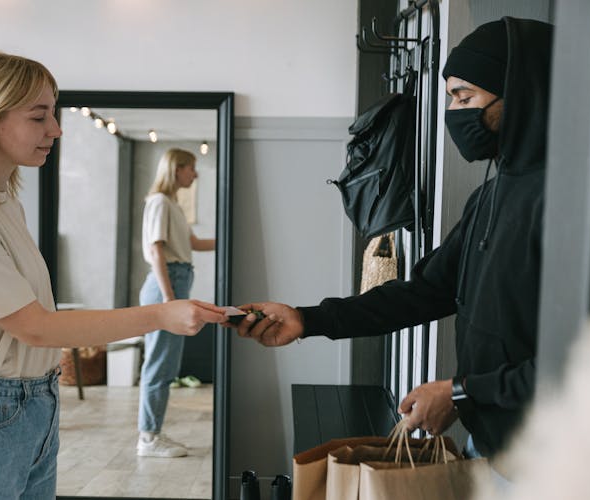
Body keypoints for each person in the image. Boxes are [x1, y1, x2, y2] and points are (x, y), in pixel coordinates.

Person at [0, 50, 227, 499]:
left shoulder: (1, 204)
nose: (55, 129)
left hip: (32, 409)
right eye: (39, 117)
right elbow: (36, 327)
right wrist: (160, 314)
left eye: (52, 114)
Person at [231, 17, 553, 463]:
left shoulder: (572, 206)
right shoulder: (490, 195)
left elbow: (585, 364)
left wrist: (461, 394)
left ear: (520, 94)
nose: (455, 113)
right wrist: (307, 320)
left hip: (553, 458)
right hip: (489, 447)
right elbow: (425, 292)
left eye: (466, 97)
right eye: (451, 99)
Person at [136, 148, 216, 458]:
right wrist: (169, 300)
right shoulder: (159, 202)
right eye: (191, 169)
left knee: (166, 365)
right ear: (176, 169)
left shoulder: (172, 204)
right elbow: (156, 251)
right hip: (166, 285)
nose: (194, 175)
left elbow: (194, 244)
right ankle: (148, 438)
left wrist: (233, 236)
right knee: (159, 365)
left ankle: (152, 432)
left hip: (175, 282)